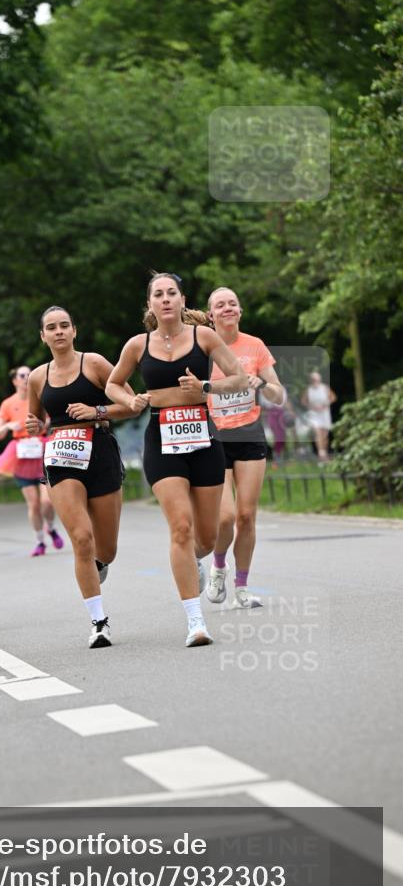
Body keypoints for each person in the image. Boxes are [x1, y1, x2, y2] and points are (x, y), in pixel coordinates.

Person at [106, 272, 247, 647]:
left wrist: (206, 387)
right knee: (180, 529)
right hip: (161, 439)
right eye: (158, 294)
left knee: (206, 535)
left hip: (203, 437)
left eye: (171, 293)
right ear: (150, 304)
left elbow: (240, 378)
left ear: (182, 300)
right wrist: (130, 400)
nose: (165, 299)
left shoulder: (204, 337)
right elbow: (112, 384)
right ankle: (195, 621)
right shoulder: (138, 345)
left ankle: (197, 561)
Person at [25, 308, 133, 649]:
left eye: (63, 326)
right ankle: (99, 622)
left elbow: (131, 403)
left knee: (107, 549)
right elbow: (36, 419)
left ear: (74, 331)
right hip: (61, 457)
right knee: (82, 540)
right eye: (50, 328)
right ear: (42, 336)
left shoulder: (96, 364)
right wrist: (35, 426)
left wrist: (96, 412)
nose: (58, 332)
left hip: (99, 450)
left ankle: (99, 564)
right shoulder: (38, 378)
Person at [204, 286, 285, 609]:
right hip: (215, 437)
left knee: (247, 516)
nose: (227, 308)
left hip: (249, 434)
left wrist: (263, 384)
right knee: (224, 518)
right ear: (210, 314)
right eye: (220, 305)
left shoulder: (255, 346)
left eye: (232, 304)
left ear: (240, 311)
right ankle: (218, 566)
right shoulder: (203, 347)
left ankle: (241, 588)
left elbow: (279, 394)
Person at [0, 365, 64, 556]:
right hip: (21, 455)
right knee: (33, 504)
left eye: (29, 375)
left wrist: (42, 422)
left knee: (47, 502)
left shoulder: (40, 398)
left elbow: (52, 420)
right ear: (15, 380)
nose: (26, 378)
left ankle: (51, 527)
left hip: (41, 450)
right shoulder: (8, 404)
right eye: (22, 375)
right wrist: (8, 425)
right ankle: (40, 541)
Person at [302, 370, 336, 462]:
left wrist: (325, 405)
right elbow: (304, 401)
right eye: (312, 380)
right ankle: (321, 455)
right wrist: (312, 406)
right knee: (318, 433)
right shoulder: (308, 390)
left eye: (315, 379)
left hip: (324, 414)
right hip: (314, 414)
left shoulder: (325, 388)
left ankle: (324, 453)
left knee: (325, 435)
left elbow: (333, 398)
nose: (314, 381)